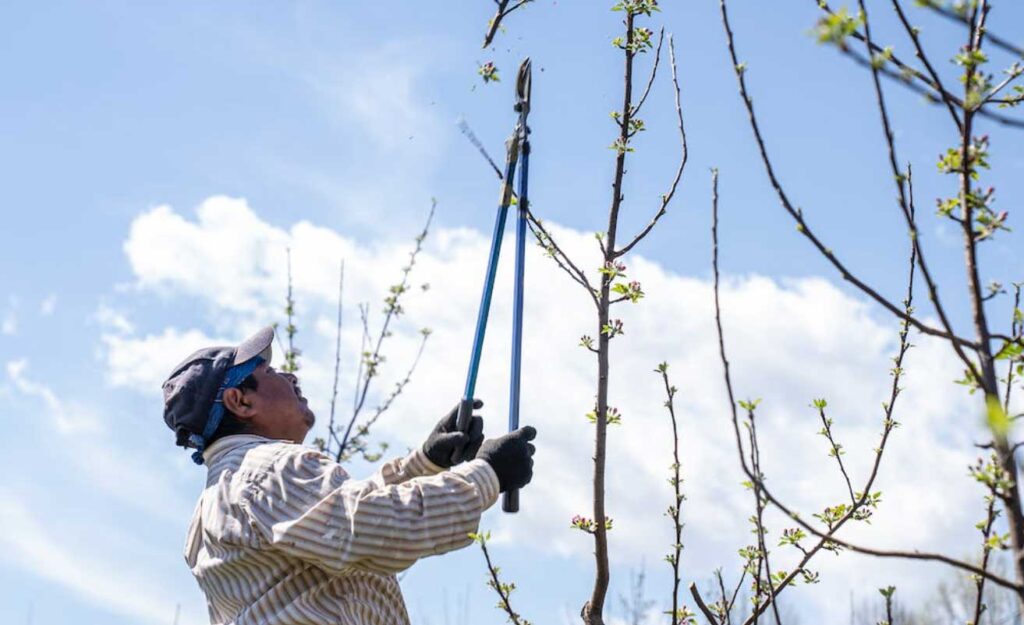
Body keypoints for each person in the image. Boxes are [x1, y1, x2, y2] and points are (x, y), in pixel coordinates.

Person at [161, 326, 537, 624]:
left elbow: (330, 528)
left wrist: (426, 463)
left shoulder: (214, 507)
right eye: (269, 371)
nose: (290, 376)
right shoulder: (269, 468)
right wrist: (488, 474)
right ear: (240, 401)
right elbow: (371, 528)